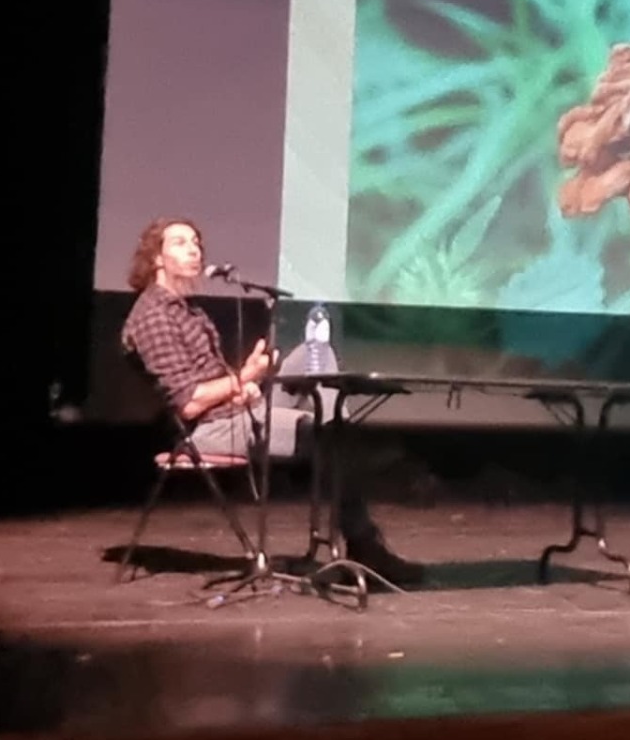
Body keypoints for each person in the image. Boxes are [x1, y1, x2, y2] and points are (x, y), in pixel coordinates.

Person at [119, 218, 423, 587]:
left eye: (196, 241)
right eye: (180, 242)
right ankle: (362, 538)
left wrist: (244, 377)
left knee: (316, 351)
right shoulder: (153, 315)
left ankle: (334, 438)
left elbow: (210, 383)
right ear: (156, 259)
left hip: (237, 409)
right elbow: (190, 404)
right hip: (211, 431)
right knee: (329, 434)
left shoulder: (188, 309)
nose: (194, 249)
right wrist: (244, 379)